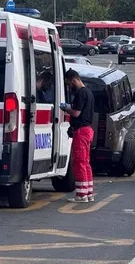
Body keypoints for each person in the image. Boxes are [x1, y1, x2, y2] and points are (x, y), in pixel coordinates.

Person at [61, 69, 95, 203]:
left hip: (81, 131)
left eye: (69, 83)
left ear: (74, 80)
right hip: (87, 130)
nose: (69, 86)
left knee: (79, 162)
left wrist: (66, 108)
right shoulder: (89, 92)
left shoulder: (81, 93)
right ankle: (88, 192)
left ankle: (81, 195)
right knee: (86, 162)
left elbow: (76, 113)